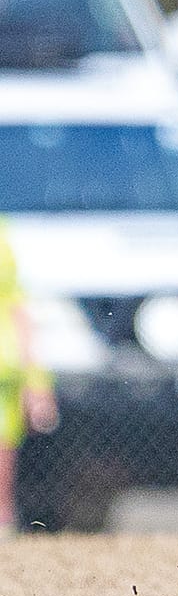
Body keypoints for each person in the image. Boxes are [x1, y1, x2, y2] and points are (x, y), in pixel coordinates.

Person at [0, 221, 58, 533]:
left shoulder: (3, 238)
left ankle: (3, 523)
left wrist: (37, 385)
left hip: (5, 368)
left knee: (4, 447)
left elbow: (18, 310)